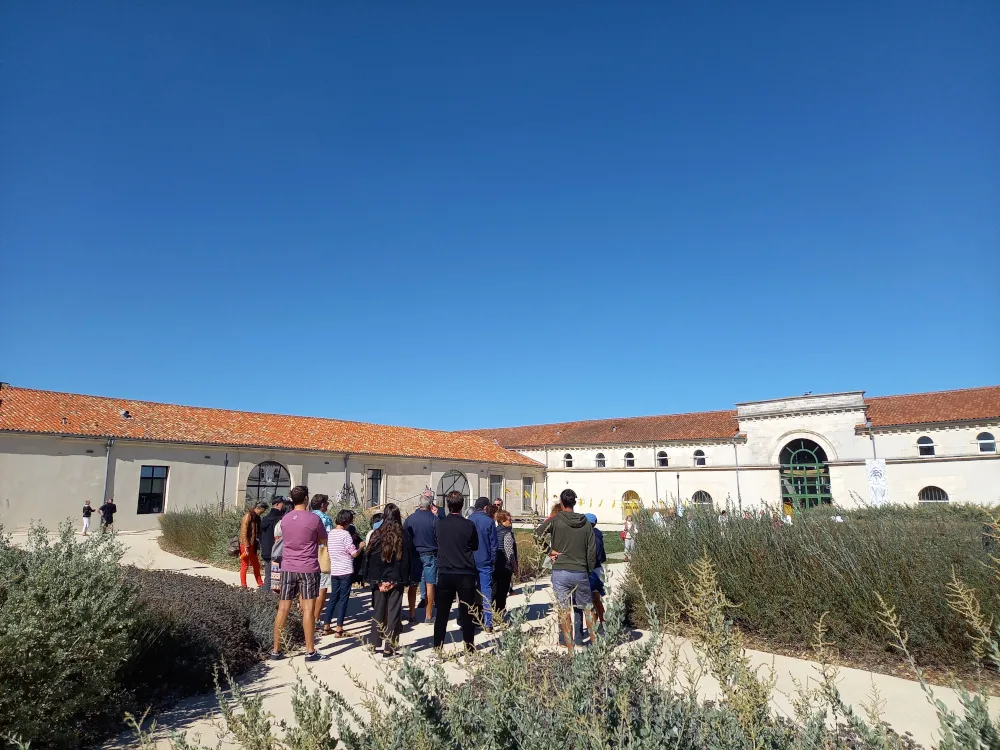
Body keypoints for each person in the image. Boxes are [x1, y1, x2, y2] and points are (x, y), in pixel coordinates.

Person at [535, 489, 597, 653]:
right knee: (586, 608)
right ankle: (593, 642)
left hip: (561, 570)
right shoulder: (585, 522)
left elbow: (537, 534)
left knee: (564, 609)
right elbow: (592, 550)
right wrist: (588, 570)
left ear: (561, 503)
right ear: (575, 503)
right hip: (580, 570)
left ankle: (568, 647)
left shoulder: (555, 520)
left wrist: (548, 551)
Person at [271, 486, 329, 662]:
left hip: (288, 566)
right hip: (308, 567)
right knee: (308, 609)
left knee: (283, 608)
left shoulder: (285, 519)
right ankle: (310, 651)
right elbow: (323, 540)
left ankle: (276, 650)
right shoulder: (314, 519)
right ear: (305, 499)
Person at [434, 490, 479, 654]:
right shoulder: (469, 525)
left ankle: (438, 648)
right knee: (467, 612)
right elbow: (475, 546)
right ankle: (469, 647)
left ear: (447, 505)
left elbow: (437, 542)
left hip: (445, 571)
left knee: (442, 614)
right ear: (462, 505)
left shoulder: (439, 524)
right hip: (465, 571)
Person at [363, 503, 410, 657]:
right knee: (393, 613)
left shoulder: (376, 534)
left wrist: (378, 581)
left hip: (379, 579)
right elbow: (406, 560)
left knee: (378, 611)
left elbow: (370, 558)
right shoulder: (403, 535)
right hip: (396, 579)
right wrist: (395, 580)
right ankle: (389, 647)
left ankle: (373, 643)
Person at [322, 509, 364, 636]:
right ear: (348, 521)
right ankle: (339, 628)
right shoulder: (345, 535)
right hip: (345, 569)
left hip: (334, 569)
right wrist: (361, 546)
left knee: (333, 597)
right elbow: (354, 553)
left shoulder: (331, 534)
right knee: (343, 599)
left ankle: (326, 625)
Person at [403, 494, 438, 624]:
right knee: (430, 584)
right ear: (430, 505)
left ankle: (411, 614)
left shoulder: (411, 518)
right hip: (430, 553)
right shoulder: (434, 519)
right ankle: (428, 616)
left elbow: (404, 534)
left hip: (414, 553)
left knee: (413, 584)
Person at [469, 497, 498, 631]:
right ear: (486, 507)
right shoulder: (489, 521)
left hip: (470, 560)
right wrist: (493, 561)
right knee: (486, 591)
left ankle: (471, 617)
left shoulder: (469, 520)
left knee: (470, 590)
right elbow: (494, 545)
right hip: (485, 559)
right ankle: (488, 622)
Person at [311, 495, 335, 629]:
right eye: (326, 503)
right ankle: (315, 618)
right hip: (321, 556)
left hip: (308, 556)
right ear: (322, 505)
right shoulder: (325, 519)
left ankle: (305, 615)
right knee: (322, 588)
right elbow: (328, 540)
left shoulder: (308, 516)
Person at [259, 496, 287, 593]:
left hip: (266, 551)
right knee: (276, 579)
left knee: (268, 577)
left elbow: (260, 535)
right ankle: (272, 601)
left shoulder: (265, 518)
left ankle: (264, 598)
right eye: (283, 503)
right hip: (276, 552)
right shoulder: (278, 518)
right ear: (278, 504)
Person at [492, 510, 518, 616]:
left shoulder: (495, 531)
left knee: (494, 591)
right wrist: (515, 567)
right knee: (502, 593)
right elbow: (509, 552)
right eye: (508, 519)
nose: (510, 520)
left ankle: (490, 613)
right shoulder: (507, 533)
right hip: (505, 567)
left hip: (494, 565)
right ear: (502, 521)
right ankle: (500, 614)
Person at [239, 501, 269, 588]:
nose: (262, 512)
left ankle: (260, 583)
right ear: (258, 508)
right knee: (245, 565)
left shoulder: (257, 517)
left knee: (256, 565)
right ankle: (243, 584)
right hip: (246, 544)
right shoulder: (248, 516)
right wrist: (246, 547)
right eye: (262, 511)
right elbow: (243, 533)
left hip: (253, 544)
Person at [585, 513, 607, 628]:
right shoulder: (599, 535)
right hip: (599, 569)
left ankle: (593, 629)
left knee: (590, 602)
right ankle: (603, 622)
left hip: (591, 571)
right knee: (597, 600)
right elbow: (603, 557)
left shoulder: (588, 536)